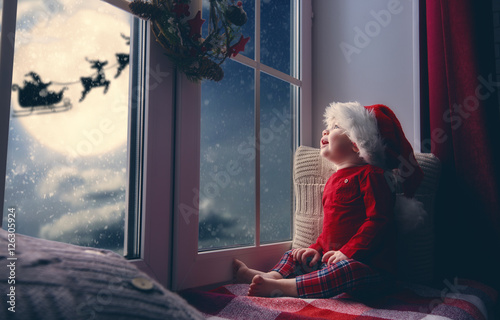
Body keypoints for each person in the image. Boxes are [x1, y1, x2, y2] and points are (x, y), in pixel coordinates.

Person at [233, 101, 424, 298]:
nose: (325, 131)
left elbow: (378, 221)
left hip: (370, 268)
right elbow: (329, 229)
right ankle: (271, 276)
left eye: (336, 127)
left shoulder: (372, 175)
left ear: (357, 144)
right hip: (331, 261)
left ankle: (284, 288)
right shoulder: (333, 180)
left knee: (345, 270)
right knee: (296, 254)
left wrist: (348, 252)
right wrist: (315, 249)